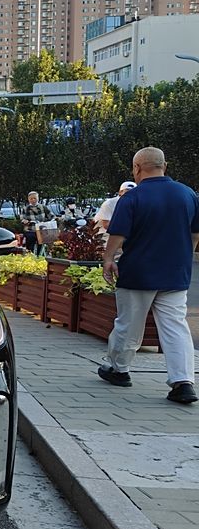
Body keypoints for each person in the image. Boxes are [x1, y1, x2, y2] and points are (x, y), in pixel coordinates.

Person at [97, 147, 199, 404]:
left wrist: (108, 259)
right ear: (165, 166)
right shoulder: (188, 194)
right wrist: (185, 255)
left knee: (129, 324)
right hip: (175, 273)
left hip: (138, 272)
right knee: (175, 326)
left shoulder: (132, 197)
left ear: (137, 168)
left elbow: (118, 234)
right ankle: (183, 382)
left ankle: (119, 370)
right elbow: (195, 233)